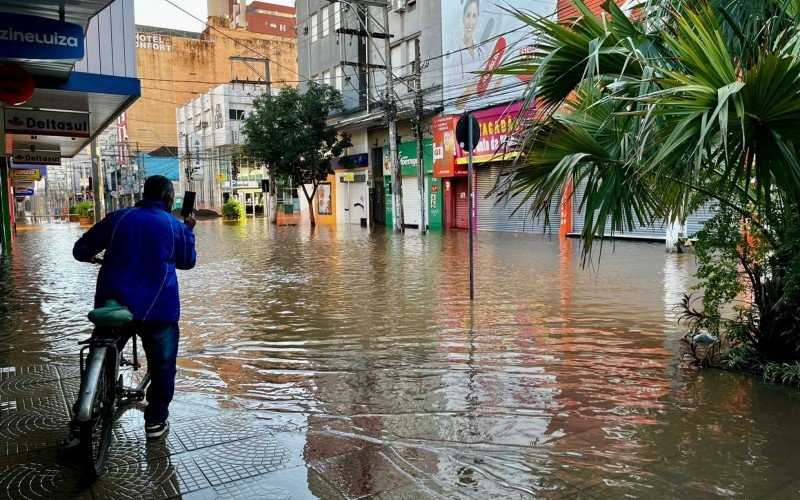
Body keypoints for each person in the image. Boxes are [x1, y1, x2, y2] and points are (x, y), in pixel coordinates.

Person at [59, 175, 196, 451]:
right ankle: (155, 422)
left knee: (101, 353)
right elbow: (187, 262)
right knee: (163, 367)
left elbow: (80, 250)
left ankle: (79, 423)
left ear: (142, 194)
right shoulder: (175, 226)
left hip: (115, 309)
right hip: (159, 313)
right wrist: (189, 229)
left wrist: (95, 257)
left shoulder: (118, 218)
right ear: (169, 199)